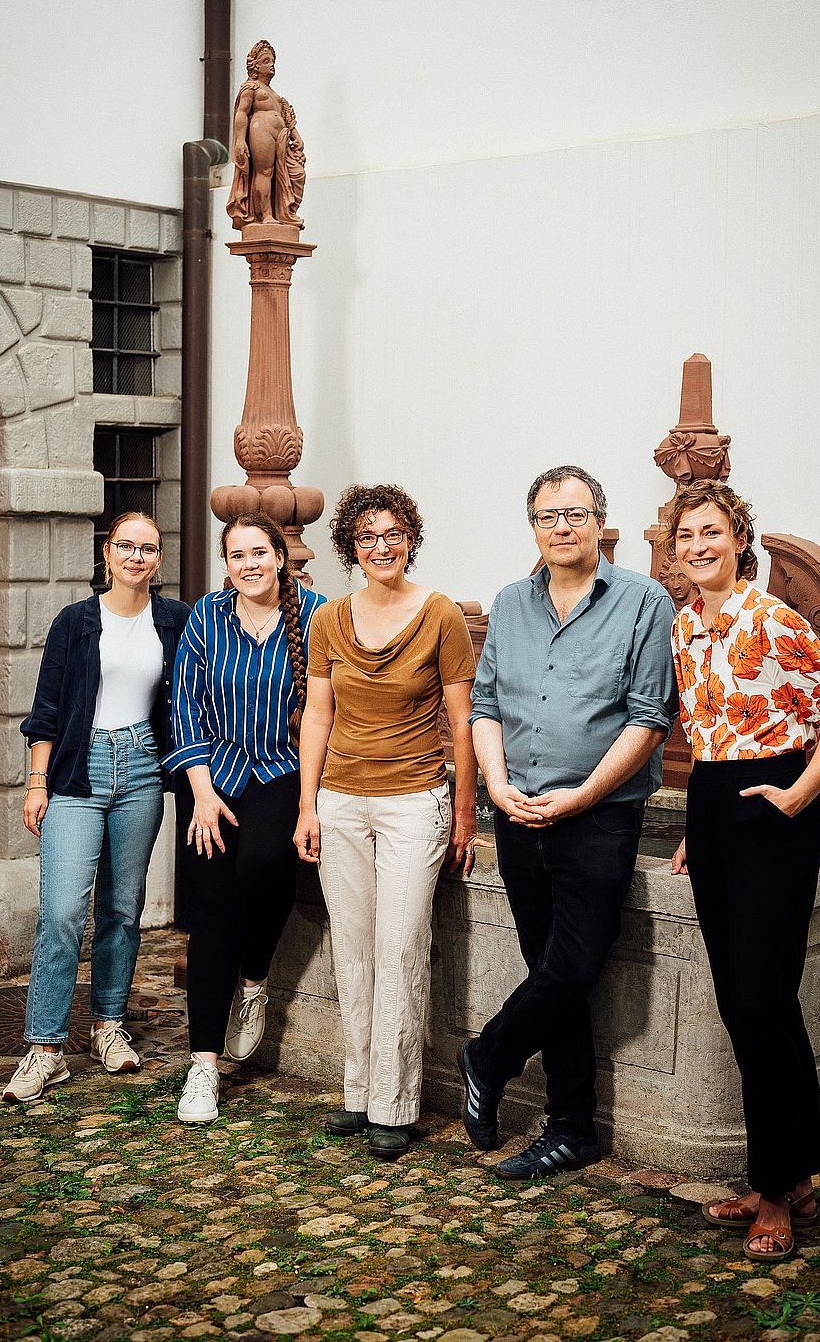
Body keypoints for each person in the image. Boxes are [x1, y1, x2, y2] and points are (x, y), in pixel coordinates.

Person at [662, 479, 820, 1261]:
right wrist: (694, 826)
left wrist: (800, 794)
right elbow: (705, 736)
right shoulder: (684, 626)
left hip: (775, 809)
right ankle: (793, 1179)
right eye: (685, 537)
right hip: (715, 807)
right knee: (752, 1006)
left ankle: (773, 1196)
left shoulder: (772, 620)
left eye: (711, 531)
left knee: (759, 1001)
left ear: (740, 539)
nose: (698, 546)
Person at [460, 465, 677, 1178]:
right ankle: (572, 1128)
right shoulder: (510, 603)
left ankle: (488, 1055)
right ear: (533, 527)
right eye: (549, 515)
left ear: (599, 524)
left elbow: (650, 719)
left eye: (576, 514)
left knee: (575, 963)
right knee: (553, 971)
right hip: (518, 813)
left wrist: (581, 796)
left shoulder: (645, 603)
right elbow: (484, 704)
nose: (562, 526)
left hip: (598, 818)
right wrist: (494, 783)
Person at [295, 483, 478, 1161]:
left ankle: (395, 1107)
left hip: (413, 802)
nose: (382, 547)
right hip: (341, 800)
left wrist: (464, 815)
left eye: (393, 534)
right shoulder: (328, 619)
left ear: (410, 539)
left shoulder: (440, 616)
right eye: (368, 536)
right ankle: (358, 1093)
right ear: (351, 546)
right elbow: (318, 715)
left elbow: (462, 721)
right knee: (354, 948)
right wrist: (308, 805)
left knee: (401, 948)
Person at [4, 514, 189, 1103]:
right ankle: (45, 1048)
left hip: (140, 768)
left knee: (123, 908)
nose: (137, 557)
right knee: (61, 912)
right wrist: (38, 784)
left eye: (149, 549)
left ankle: (110, 1027)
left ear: (158, 559)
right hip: (77, 774)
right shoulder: (76, 622)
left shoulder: (176, 621)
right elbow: (47, 708)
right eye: (126, 546)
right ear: (107, 554)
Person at [165, 513, 325, 1124]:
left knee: (266, 866)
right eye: (237, 556)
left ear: (280, 558)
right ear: (226, 564)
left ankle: (254, 981)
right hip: (215, 775)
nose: (249, 565)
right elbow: (184, 707)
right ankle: (202, 1065)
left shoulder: (316, 615)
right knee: (211, 916)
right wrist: (200, 793)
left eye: (259, 553)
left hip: (284, 772)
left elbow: (329, 701)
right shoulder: (206, 617)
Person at [226, 39, 306, 230]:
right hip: (260, 130)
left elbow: (287, 117)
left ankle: (285, 213)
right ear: (255, 65)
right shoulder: (250, 87)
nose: (272, 65)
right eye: (266, 61)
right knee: (265, 172)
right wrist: (239, 141)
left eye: (272, 61)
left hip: (281, 137)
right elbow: (241, 113)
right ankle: (266, 215)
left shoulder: (275, 94)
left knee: (297, 174)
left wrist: (297, 135)